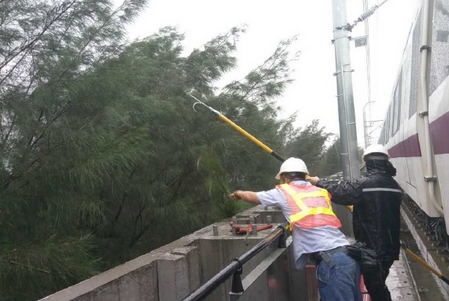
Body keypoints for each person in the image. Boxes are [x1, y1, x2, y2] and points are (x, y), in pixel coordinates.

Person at [228, 157, 362, 301]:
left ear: (285, 177)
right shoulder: (319, 191)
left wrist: (238, 193)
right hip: (348, 257)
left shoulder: (284, 192)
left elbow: (253, 197)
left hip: (331, 263)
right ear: (305, 175)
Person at [308, 144, 403, 301]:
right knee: (379, 283)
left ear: (367, 162)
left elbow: (340, 192)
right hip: (390, 248)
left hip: (371, 250)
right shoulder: (395, 186)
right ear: (386, 162)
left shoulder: (365, 184)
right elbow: (381, 209)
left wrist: (319, 182)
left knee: (377, 289)